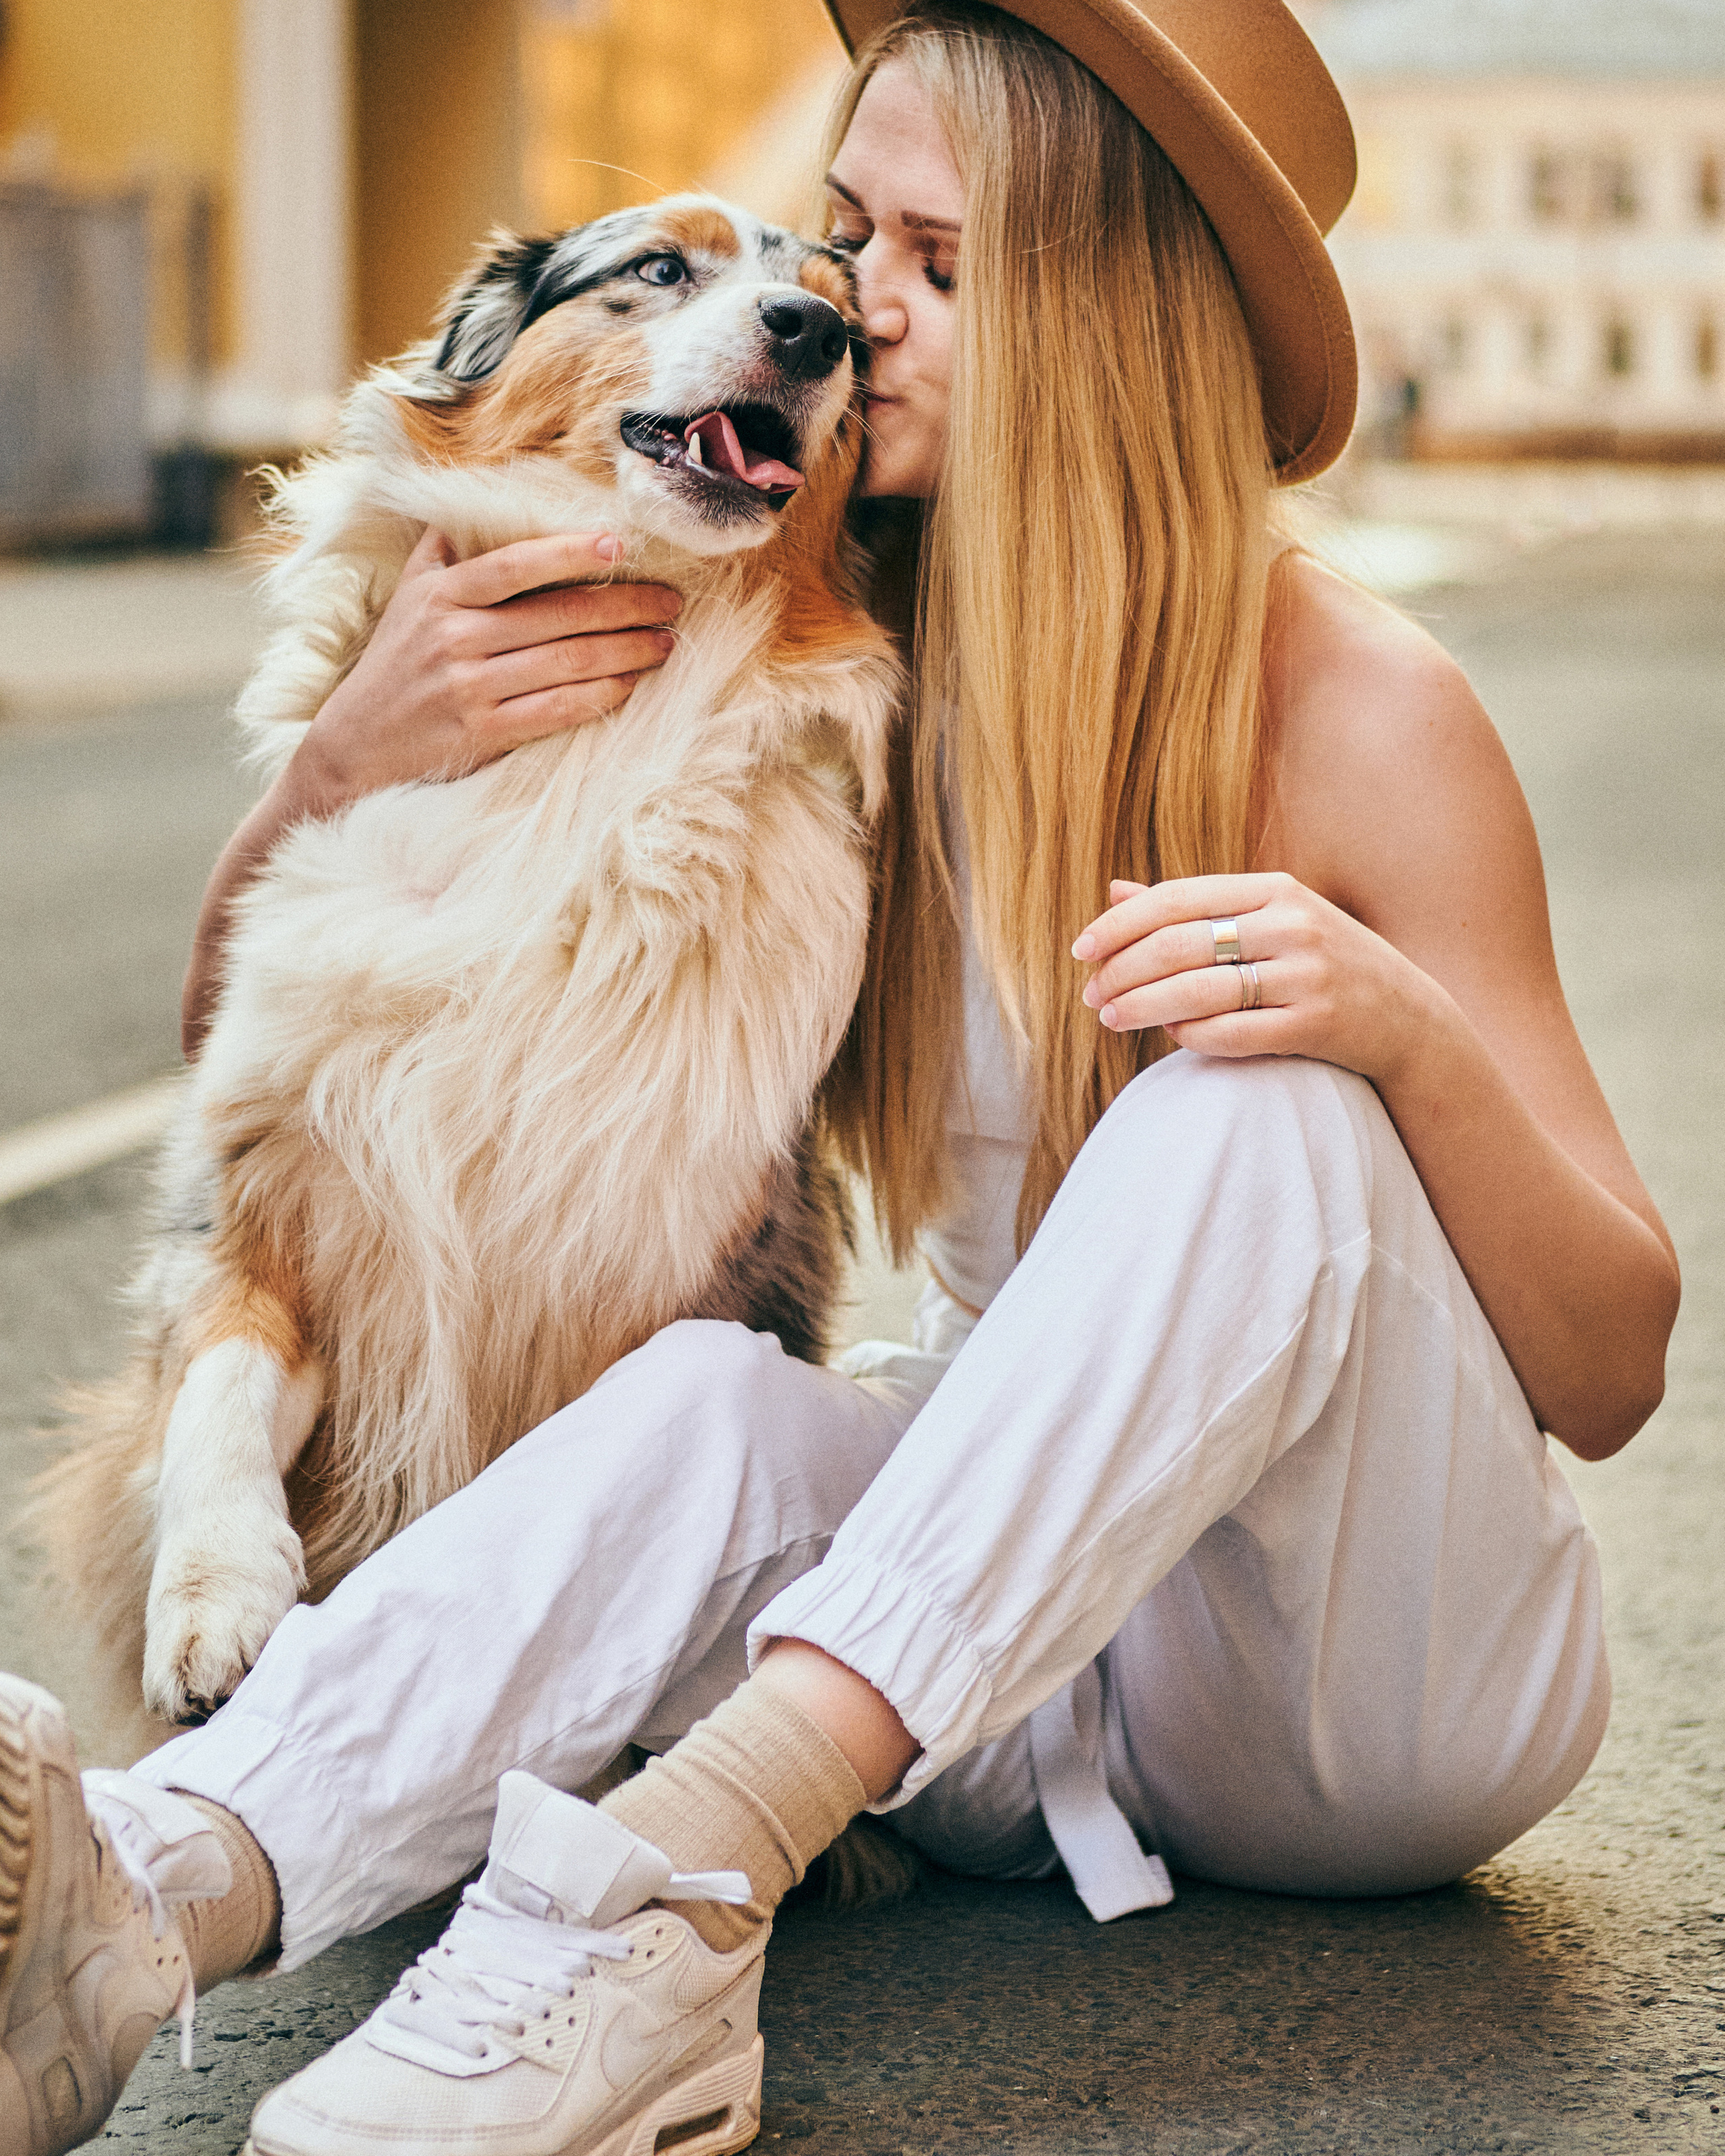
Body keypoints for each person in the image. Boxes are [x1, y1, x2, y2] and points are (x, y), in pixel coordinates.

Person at [1, 3, 1680, 2152]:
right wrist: (350, 757)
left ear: (1104, 325)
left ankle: (674, 1897)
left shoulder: (1355, 701)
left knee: (1256, 1096)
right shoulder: (827, 652)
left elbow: (1614, 1360)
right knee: (700, 1409)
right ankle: (142, 1899)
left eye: (936, 268)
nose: (838, 309)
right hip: (1013, 1663)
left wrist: (1393, 1028)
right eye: (846, 229)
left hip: (1373, 1693)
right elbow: (285, 1057)